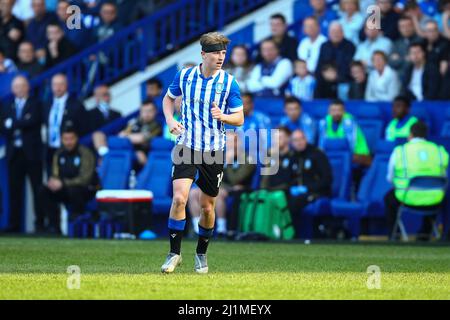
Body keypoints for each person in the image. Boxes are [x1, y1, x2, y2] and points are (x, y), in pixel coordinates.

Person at [161, 32, 244, 274]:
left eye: (223, 53)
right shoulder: (185, 75)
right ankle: (174, 253)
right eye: (216, 53)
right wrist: (169, 119)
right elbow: (168, 99)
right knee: (180, 198)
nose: (220, 57)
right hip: (186, 144)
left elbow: (239, 118)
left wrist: (224, 116)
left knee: (208, 207)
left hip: (213, 150)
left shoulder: (229, 82)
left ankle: (201, 253)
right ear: (203, 55)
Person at [385, 121, 449, 241]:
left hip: (407, 197)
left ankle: (394, 235)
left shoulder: (400, 151)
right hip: (435, 199)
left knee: (388, 199)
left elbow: (390, 178)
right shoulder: (440, 150)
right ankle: (431, 234)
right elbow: (444, 176)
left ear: (410, 134)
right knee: (442, 197)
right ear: (426, 135)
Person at [188, 132, 256, 238]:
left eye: (231, 142)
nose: (228, 145)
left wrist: (227, 164)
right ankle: (197, 229)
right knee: (193, 193)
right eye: (226, 142)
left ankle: (221, 229)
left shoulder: (248, 158)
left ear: (238, 143)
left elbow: (236, 180)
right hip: (218, 185)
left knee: (217, 193)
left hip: (236, 189)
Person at [0, 75, 43, 233]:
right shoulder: (7, 105)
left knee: (37, 189)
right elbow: (2, 126)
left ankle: (40, 224)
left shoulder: (36, 103)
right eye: (16, 87)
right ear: (12, 89)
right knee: (14, 191)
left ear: (27, 87)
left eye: (22, 86)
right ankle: (14, 224)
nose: (19, 89)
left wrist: (13, 123)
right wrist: (19, 123)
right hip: (14, 154)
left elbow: (33, 121)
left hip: (32, 153)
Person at [39, 125, 98, 235]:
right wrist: (53, 182)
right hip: (64, 188)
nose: (68, 142)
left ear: (77, 138)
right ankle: (54, 226)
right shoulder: (59, 154)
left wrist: (63, 183)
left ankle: (76, 226)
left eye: (71, 139)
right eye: (65, 139)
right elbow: (55, 173)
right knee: (44, 191)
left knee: (75, 190)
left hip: (84, 189)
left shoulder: (85, 153)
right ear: (61, 139)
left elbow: (85, 179)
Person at [288, 129, 332, 238]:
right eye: (295, 140)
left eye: (301, 139)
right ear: (292, 143)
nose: (299, 142)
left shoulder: (317, 155)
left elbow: (327, 179)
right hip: (300, 193)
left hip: (318, 192)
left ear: (305, 139)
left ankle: (297, 235)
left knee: (296, 201)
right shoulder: (294, 157)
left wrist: (307, 188)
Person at [43, 73, 88, 174]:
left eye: (61, 84)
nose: (58, 88)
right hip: (51, 150)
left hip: (69, 150)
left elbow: (84, 127)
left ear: (67, 85)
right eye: (55, 84)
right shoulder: (46, 104)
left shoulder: (76, 104)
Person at [318, 99, 371, 167]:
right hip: (336, 154)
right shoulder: (324, 122)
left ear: (344, 111)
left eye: (339, 110)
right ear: (329, 112)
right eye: (333, 110)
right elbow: (322, 144)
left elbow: (350, 146)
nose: (336, 113)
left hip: (358, 154)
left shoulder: (349, 122)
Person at [118, 99, 162, 169]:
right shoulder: (134, 122)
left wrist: (127, 137)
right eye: (144, 111)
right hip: (133, 151)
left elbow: (141, 139)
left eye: (149, 111)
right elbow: (120, 136)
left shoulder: (156, 125)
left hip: (148, 154)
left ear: (155, 111)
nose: (146, 114)